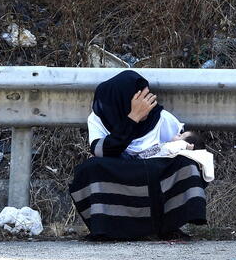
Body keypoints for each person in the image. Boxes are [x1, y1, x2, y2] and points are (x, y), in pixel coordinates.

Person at [69, 70, 209, 241]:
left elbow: (184, 148)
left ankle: (168, 227)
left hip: (153, 180)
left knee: (187, 162)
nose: (146, 104)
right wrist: (132, 119)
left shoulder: (161, 119)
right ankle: (108, 229)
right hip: (121, 175)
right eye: (138, 100)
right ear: (122, 102)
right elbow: (101, 152)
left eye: (147, 97)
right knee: (90, 168)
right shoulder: (99, 118)